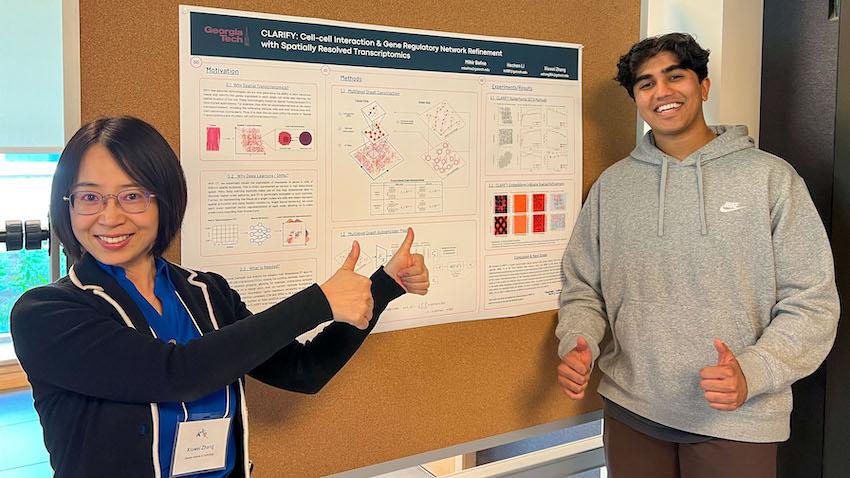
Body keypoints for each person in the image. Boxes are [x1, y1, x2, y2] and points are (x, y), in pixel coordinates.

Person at [10, 116, 430, 478]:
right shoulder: (46, 314)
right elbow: (175, 375)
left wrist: (384, 285)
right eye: (89, 197)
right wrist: (318, 301)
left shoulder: (208, 293)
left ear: (164, 200)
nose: (110, 215)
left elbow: (304, 371)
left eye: (133, 195)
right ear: (66, 206)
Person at [555, 33, 839, 477]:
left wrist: (754, 371)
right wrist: (579, 340)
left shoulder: (770, 179)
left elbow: (813, 302)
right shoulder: (613, 188)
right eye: (646, 84)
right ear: (636, 98)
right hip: (631, 410)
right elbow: (583, 286)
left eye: (675, 76)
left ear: (703, 86)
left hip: (737, 418)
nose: (662, 92)